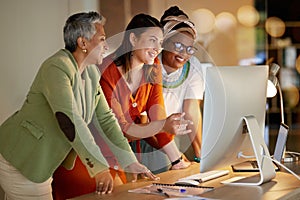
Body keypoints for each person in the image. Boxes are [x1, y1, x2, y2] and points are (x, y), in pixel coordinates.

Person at [0, 11, 159, 200]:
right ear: (83, 43)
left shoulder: (91, 73)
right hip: (21, 157)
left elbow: (107, 121)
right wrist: (99, 168)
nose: (106, 45)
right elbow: (70, 120)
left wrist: (129, 161)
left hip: (41, 161)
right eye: (101, 39)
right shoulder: (56, 67)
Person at [98, 13, 192, 174]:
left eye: (160, 43)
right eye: (152, 40)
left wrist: (176, 160)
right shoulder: (107, 71)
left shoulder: (153, 67)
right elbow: (118, 129)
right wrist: (163, 125)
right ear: (133, 39)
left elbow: (158, 116)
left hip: (131, 149)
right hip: (103, 152)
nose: (157, 49)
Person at [159, 6, 205, 162]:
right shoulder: (150, 64)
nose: (184, 54)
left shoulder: (193, 65)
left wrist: (201, 154)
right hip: (147, 135)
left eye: (189, 48)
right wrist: (174, 155)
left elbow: (191, 110)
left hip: (173, 136)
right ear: (163, 42)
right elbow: (146, 118)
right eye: (178, 46)